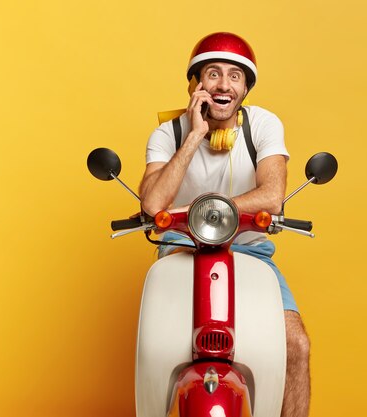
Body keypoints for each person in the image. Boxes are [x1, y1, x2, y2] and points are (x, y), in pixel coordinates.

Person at [139, 32, 311, 417]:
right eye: (213, 74)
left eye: (235, 76)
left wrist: (208, 212)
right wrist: (195, 135)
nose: (223, 85)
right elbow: (152, 203)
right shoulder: (169, 134)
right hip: (180, 251)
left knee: (296, 343)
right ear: (196, 84)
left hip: (250, 251)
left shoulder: (263, 125)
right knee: (156, 344)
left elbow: (272, 195)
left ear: (245, 88)